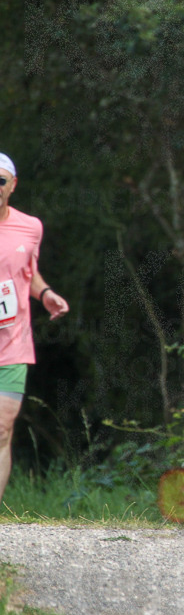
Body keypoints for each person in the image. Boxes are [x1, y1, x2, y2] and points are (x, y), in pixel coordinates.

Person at [0, 152, 70, 507]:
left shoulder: (30, 227)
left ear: (12, 186)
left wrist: (45, 294)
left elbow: (27, 272)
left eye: (0, 181)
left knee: (2, 429)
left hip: (12, 343)